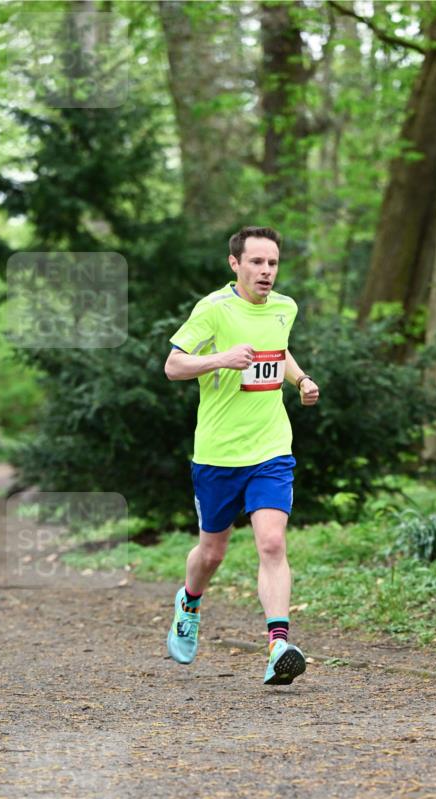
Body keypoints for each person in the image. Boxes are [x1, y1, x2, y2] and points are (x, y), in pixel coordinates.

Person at [164, 226, 319, 685]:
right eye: (256, 262)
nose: (266, 271)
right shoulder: (213, 310)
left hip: (271, 447)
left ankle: (277, 646)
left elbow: (280, 349)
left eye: (272, 263)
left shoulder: (285, 308)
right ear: (235, 264)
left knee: (271, 542)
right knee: (211, 553)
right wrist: (220, 358)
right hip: (217, 454)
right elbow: (173, 366)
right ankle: (189, 602)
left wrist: (301, 379)